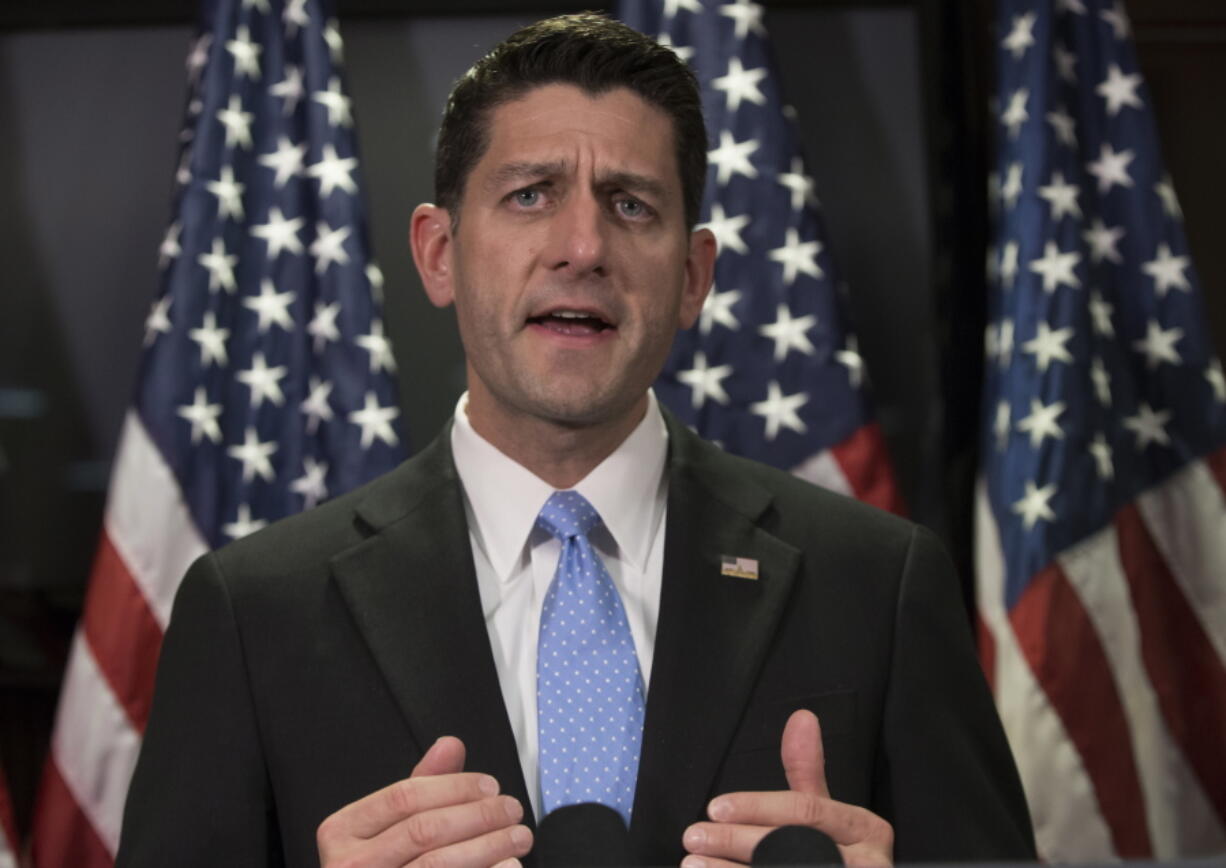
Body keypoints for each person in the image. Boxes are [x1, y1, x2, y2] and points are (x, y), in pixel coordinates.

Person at [117, 13, 1035, 868]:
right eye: (529, 195)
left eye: (632, 205)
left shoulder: (879, 582)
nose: (583, 246)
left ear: (691, 276)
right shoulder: (251, 612)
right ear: (439, 254)